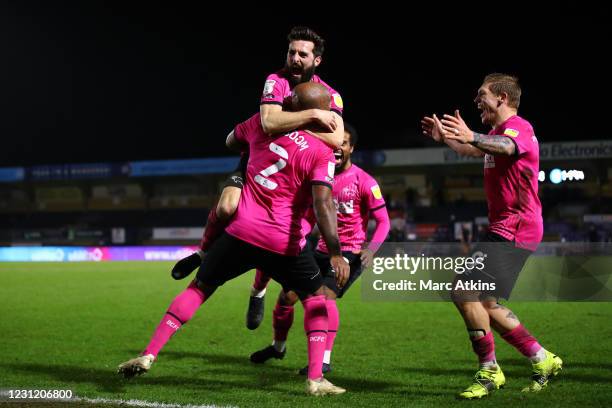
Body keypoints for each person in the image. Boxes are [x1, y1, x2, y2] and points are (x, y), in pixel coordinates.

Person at [118, 82, 349, 396]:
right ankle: (314, 379)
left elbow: (230, 140)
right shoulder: (323, 152)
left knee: (199, 289)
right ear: (321, 115)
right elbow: (323, 203)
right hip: (283, 242)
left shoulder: (260, 123)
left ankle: (148, 353)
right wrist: (335, 252)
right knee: (315, 301)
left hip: (241, 232)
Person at [171, 26, 345, 298]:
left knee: (280, 231)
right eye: (291, 52)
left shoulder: (331, 95)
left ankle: (258, 291)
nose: (295, 58)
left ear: (316, 60)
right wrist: (312, 115)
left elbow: (335, 139)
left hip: (294, 172)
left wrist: (287, 121)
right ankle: (202, 253)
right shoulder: (276, 80)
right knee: (227, 207)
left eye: (303, 54)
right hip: (258, 161)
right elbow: (268, 122)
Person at [421, 73, 562, 399]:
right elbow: (476, 149)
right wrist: (450, 140)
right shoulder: (496, 133)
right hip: (509, 225)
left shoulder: (517, 128)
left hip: (516, 225)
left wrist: (472, 134)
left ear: (502, 97)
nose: (476, 100)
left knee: (463, 290)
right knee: (485, 302)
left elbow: (507, 146)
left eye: (482, 94)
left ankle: (490, 370)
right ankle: (543, 359)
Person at [248, 124, 390, 375]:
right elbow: (312, 218)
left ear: (351, 148)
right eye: (335, 143)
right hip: (322, 250)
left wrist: (371, 249)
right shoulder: (319, 178)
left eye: (344, 143)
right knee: (286, 297)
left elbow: (384, 221)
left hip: (350, 254)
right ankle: (278, 348)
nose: (338, 148)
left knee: (323, 299)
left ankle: (324, 360)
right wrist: (297, 234)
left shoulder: (364, 181)